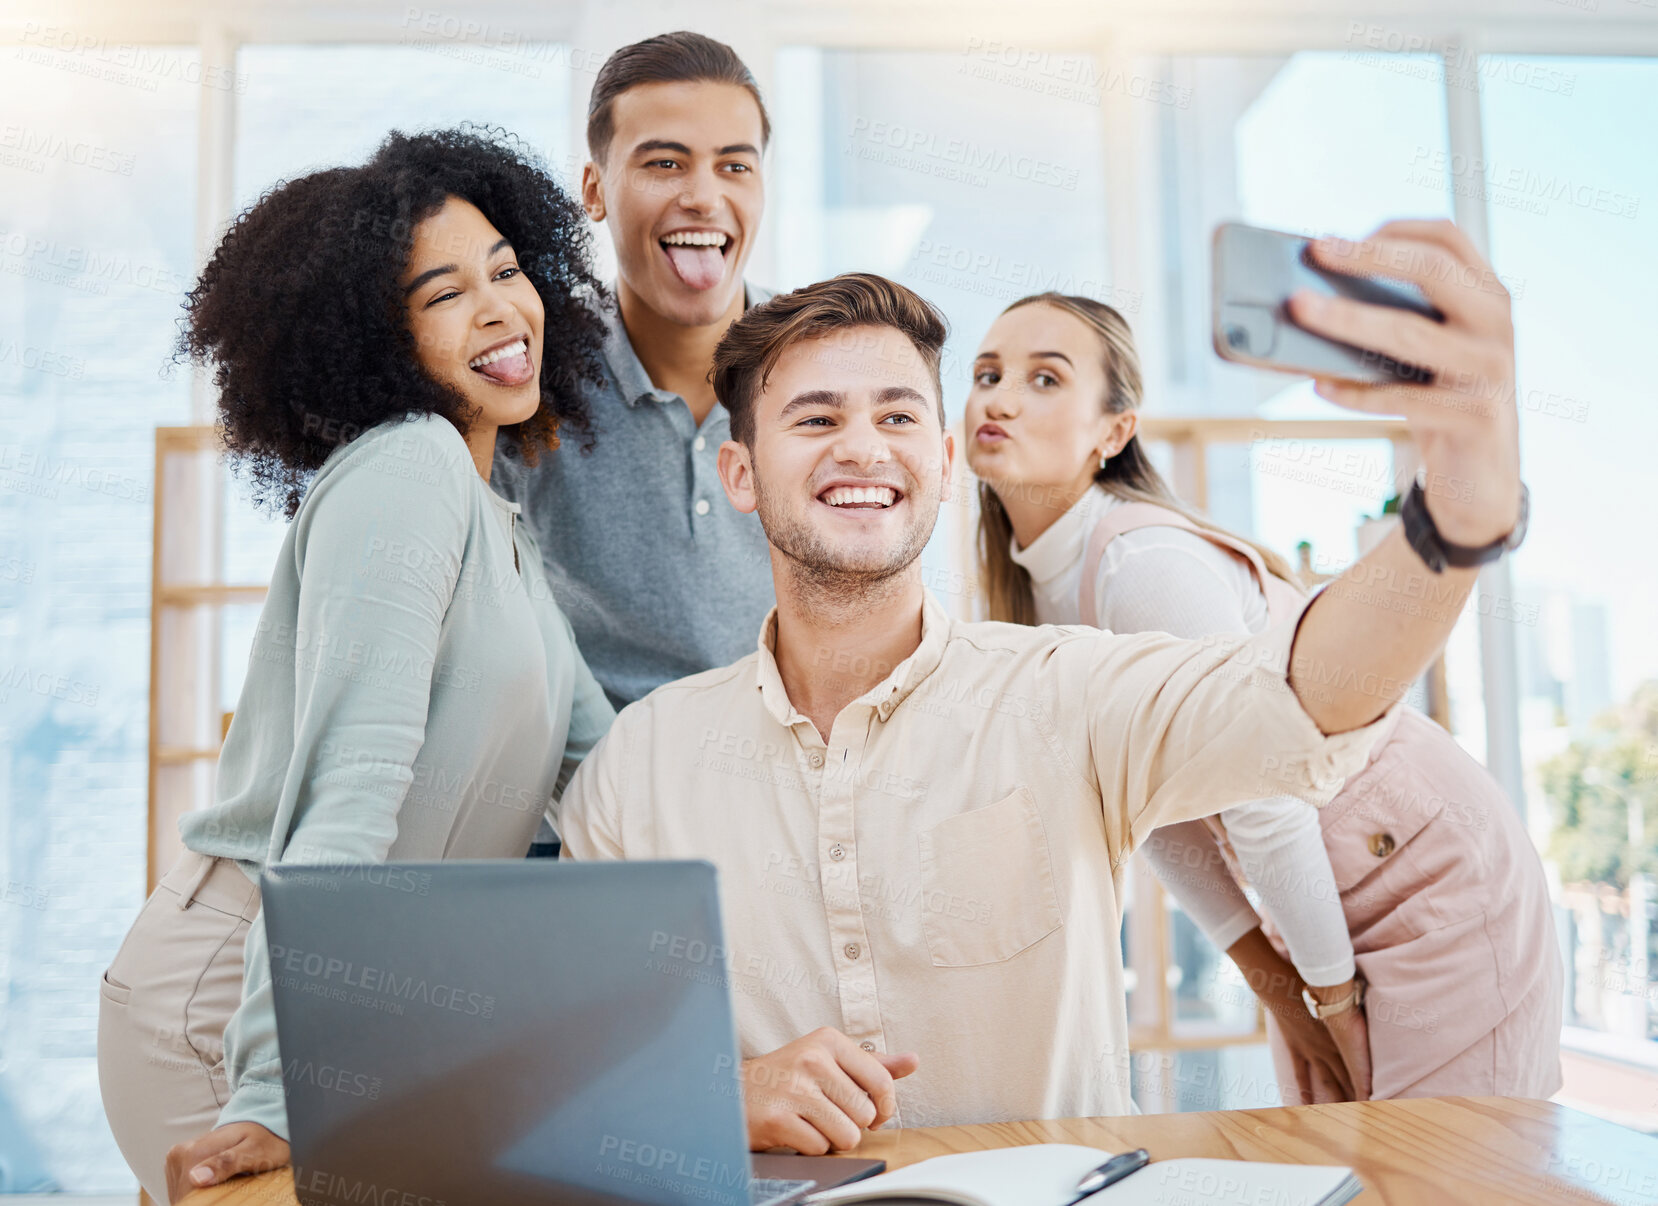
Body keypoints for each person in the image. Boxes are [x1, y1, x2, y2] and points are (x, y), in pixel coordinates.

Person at [559, 218, 1531, 1153]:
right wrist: (717, 1095)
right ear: (740, 472)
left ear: (942, 465)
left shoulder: (1066, 693)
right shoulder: (635, 768)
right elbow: (573, 1068)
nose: (861, 447)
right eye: (815, 419)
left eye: (896, 416)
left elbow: (1302, 698)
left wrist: (1459, 500)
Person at [96, 127, 616, 1203]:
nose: (498, 311)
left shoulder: (494, 518)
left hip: (352, 1003)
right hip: (240, 1006)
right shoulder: (407, 470)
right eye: (443, 295)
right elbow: (351, 792)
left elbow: (606, 772)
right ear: (371, 338)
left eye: (506, 272)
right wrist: (276, 1095)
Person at [964, 291, 1562, 1105]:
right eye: (987, 373)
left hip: (1425, 871)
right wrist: (1277, 978)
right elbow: (1158, 808)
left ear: (1114, 432)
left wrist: (1330, 997)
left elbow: (1262, 787)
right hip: (1317, 902)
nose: (997, 398)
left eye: (1044, 379)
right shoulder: (1036, 598)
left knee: (1443, 1180)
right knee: (1363, 1175)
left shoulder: (1140, 566)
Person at [494, 31, 777, 717]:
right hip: (587, 791)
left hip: (785, 786)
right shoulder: (526, 375)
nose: (704, 197)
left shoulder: (818, 373)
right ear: (594, 190)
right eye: (665, 164)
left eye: (734, 167)